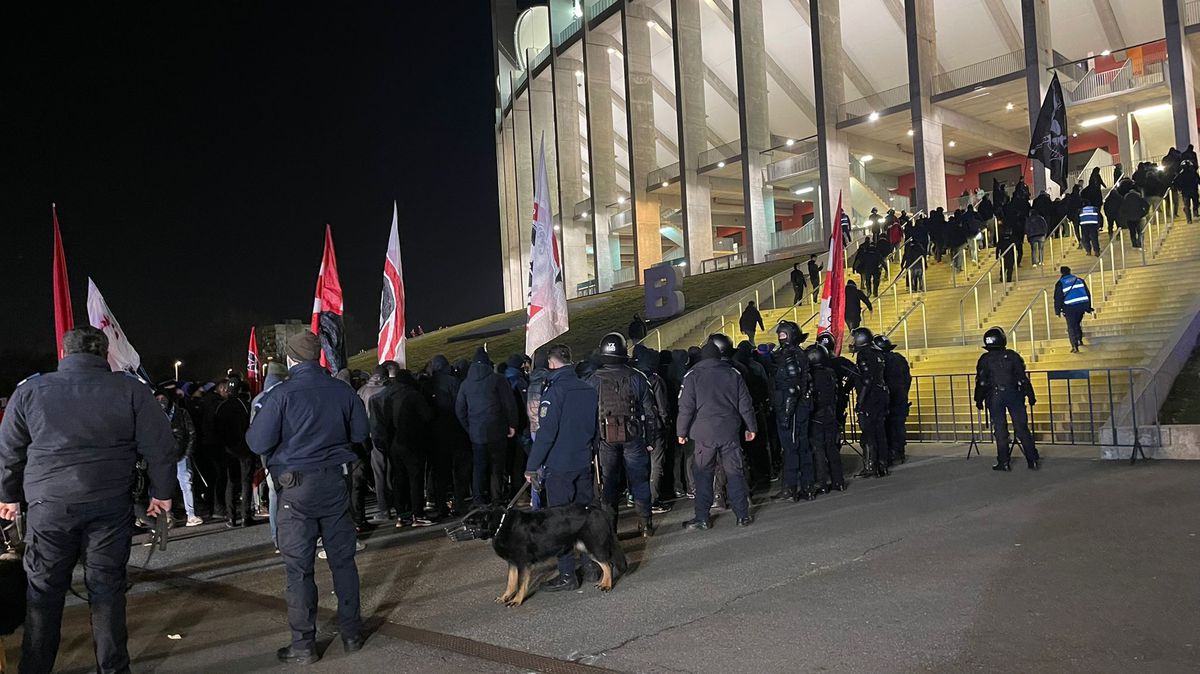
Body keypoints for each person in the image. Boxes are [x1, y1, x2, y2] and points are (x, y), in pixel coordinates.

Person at [0, 326, 176, 674]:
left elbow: (9, 450)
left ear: (64, 353)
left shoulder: (31, 390)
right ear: (104, 354)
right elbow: (160, 446)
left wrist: (8, 496)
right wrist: (162, 494)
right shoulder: (131, 390)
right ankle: (113, 668)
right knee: (107, 590)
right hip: (109, 505)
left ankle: (35, 668)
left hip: (49, 507)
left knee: (43, 592)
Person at [247, 331, 369, 665]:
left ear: (291, 359)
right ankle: (352, 633)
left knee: (299, 569)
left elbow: (257, 443)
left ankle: (303, 645)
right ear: (318, 357)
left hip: (296, 489)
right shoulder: (342, 391)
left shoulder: (280, 395)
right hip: (335, 482)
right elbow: (361, 433)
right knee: (343, 562)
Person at [525, 344, 600, 591]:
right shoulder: (588, 388)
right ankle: (591, 566)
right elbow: (595, 428)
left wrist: (532, 466)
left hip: (559, 465)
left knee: (559, 522)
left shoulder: (555, 391)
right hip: (582, 461)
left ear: (551, 364)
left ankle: (567, 574)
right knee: (583, 517)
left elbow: (546, 433)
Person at [585, 333, 660, 537]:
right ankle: (646, 524)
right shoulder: (637, 377)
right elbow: (650, 412)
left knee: (608, 484)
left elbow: (586, 415)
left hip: (604, 440)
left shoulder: (592, 380)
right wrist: (650, 440)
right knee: (639, 481)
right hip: (633, 437)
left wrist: (590, 444)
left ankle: (610, 530)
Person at [677, 340, 757, 530]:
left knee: (703, 474)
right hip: (729, 430)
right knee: (734, 473)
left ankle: (703, 518)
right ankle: (742, 515)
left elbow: (686, 407)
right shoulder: (733, 373)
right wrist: (751, 427)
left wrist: (681, 431)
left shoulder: (692, 375)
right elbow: (745, 403)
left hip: (704, 433)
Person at [455, 347, 518, 506]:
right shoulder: (498, 380)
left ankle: (478, 499)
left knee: (479, 467)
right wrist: (512, 424)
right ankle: (496, 499)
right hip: (497, 430)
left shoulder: (466, 384)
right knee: (497, 467)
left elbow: (460, 410)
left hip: (477, 433)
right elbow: (509, 404)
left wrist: (469, 428)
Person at [374, 370, 435, 526]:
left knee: (399, 479)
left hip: (394, 443)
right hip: (412, 442)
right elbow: (427, 416)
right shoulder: (413, 395)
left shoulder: (387, 396)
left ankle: (402, 515)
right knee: (415, 479)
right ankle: (418, 514)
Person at [974, 328, 1040, 471]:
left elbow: (981, 382)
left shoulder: (985, 359)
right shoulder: (1012, 356)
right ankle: (1032, 459)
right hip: (1014, 394)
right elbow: (1022, 378)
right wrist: (1031, 395)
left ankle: (1003, 462)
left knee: (1000, 430)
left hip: (995, 396)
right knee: (1022, 428)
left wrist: (978, 400)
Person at [770, 321, 816, 502]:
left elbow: (793, 388)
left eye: (783, 335)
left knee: (791, 448)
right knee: (800, 446)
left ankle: (791, 488)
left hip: (793, 408)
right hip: (798, 407)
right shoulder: (797, 354)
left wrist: (787, 415)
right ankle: (806, 486)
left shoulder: (791, 355)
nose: (781, 338)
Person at [429, 355, 471, 516]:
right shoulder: (453, 382)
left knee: (440, 472)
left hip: (435, 435)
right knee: (460, 470)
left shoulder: (427, 384)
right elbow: (461, 406)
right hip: (455, 431)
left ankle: (441, 505)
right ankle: (459, 503)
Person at [632, 345, 673, 514]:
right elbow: (662, 407)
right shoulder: (654, 379)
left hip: (634, 429)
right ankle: (653, 500)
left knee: (639, 465)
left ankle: (637, 498)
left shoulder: (631, 377)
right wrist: (665, 423)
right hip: (653, 427)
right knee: (656, 464)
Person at [155, 382, 202, 527]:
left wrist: (187, 453)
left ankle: (191, 514)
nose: (161, 402)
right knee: (164, 487)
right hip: (163, 457)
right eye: (158, 399)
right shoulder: (153, 416)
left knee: (186, 484)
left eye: (163, 398)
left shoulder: (181, 413)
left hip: (180, 455)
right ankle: (167, 516)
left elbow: (191, 433)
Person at [214, 378, 256, 528]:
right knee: (246, 481)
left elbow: (216, 429)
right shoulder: (245, 405)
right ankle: (246, 516)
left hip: (228, 449)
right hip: (244, 448)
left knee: (230, 482)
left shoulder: (221, 406)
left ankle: (231, 517)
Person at [358, 363, 396, 523]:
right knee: (391, 471)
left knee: (379, 473)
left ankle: (383, 508)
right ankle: (396, 504)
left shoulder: (362, 391)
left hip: (371, 436)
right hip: (390, 434)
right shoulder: (389, 389)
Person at [806, 343, 846, 492]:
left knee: (818, 450)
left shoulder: (811, 376)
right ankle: (838, 481)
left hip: (817, 416)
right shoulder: (830, 372)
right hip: (830, 414)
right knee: (832, 448)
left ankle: (821, 482)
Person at [850, 327, 890, 478]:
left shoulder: (864, 354)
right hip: (881, 394)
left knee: (869, 433)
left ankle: (870, 465)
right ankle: (882, 464)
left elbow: (867, 380)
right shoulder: (877, 353)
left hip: (871, 397)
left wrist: (860, 402)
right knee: (880, 432)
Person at [876, 335, 911, 466]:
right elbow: (908, 378)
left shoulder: (881, 361)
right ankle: (899, 452)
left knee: (888, 427)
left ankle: (891, 453)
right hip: (901, 397)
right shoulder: (900, 359)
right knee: (899, 425)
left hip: (888, 399)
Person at [1054, 266, 1094, 353]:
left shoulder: (1060, 283)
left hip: (1069, 307)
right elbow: (1087, 293)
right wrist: (1088, 307)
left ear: (1061, 272)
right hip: (1081, 306)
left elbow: (1058, 298)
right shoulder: (1079, 280)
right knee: (1077, 323)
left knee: (1071, 326)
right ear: (1070, 271)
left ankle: (1074, 345)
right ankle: (1079, 339)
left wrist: (1058, 311)